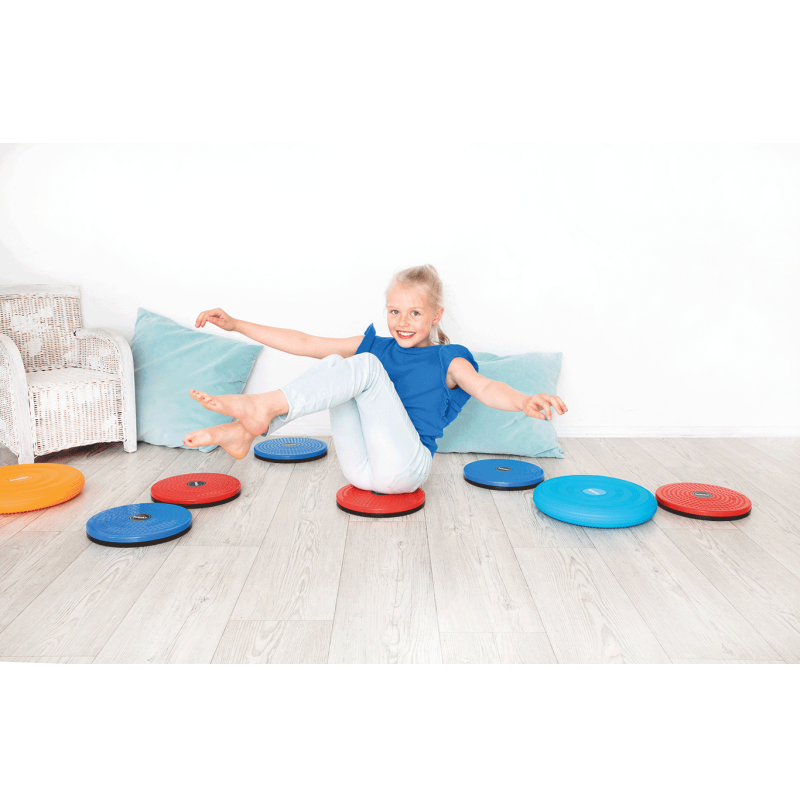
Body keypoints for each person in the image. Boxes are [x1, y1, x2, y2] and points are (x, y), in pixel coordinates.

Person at [183, 264, 567, 494]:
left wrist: (523, 400)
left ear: (436, 315)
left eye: (415, 313)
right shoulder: (377, 346)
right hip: (360, 469)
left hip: (405, 468)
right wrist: (236, 324)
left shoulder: (447, 358)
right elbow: (304, 342)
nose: (402, 322)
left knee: (364, 364)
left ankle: (261, 408)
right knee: (335, 362)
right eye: (394, 311)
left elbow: (486, 387)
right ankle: (246, 431)